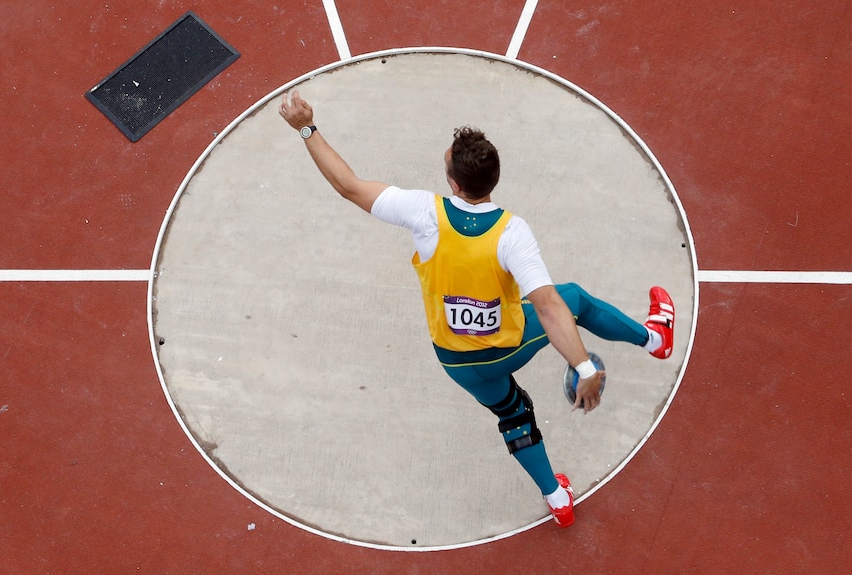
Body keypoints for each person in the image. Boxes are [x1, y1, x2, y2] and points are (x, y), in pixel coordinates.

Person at [279, 91, 675, 528]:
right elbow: (548, 306)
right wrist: (584, 369)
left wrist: (306, 127)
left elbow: (348, 186)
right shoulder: (511, 232)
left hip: (455, 360)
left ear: (453, 182)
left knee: (513, 413)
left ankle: (557, 498)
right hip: (505, 346)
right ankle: (655, 338)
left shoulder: (424, 213)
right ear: (494, 180)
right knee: (573, 298)